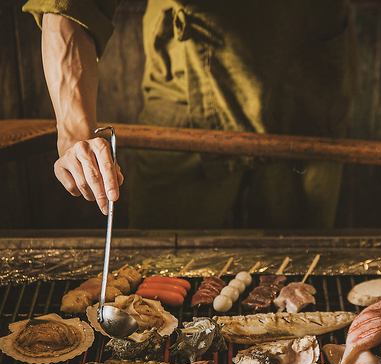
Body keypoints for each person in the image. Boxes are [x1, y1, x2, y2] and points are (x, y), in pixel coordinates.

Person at [23, 0, 356, 228]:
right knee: (161, 269)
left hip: (308, 89)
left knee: (297, 267)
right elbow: (68, 7)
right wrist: (74, 131)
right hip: (186, 89)